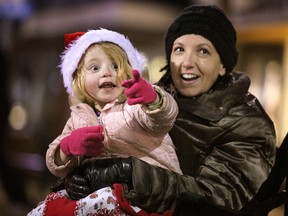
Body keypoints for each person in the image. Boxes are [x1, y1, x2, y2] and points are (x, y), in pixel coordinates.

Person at [62, 4, 277, 216]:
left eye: (203, 51)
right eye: (179, 50)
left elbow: (217, 199)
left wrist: (129, 173)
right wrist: (78, 177)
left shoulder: (247, 122)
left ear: (222, 65)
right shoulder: (148, 99)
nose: (187, 62)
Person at [28, 28, 181, 216]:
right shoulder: (79, 115)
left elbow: (162, 118)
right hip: (100, 190)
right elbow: (55, 162)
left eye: (116, 66)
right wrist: (67, 147)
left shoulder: (133, 106)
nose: (107, 73)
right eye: (95, 68)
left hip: (147, 191)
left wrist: (152, 99)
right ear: (79, 79)